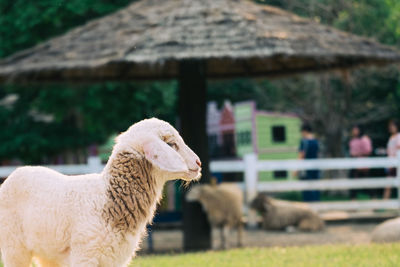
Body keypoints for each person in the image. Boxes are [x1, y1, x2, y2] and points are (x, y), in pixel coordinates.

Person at [348, 125, 372, 199]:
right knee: (353, 185)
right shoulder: (353, 140)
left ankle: (374, 201)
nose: (354, 131)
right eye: (353, 129)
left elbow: (368, 151)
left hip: (363, 165)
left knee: (367, 184)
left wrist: (358, 154)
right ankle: (353, 203)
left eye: (356, 129)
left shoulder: (365, 139)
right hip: (354, 165)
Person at [298, 123, 320, 202]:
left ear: (305, 131)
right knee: (316, 188)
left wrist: (296, 169)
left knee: (307, 189)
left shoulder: (304, 142)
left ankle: (308, 208)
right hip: (316, 168)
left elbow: (301, 155)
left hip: (306, 169)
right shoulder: (316, 141)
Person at [384, 119, 400, 199]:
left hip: (396, 163)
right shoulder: (391, 137)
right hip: (391, 163)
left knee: (389, 183)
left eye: (392, 126)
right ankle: (384, 203)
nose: (391, 127)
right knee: (388, 183)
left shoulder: (398, 136)